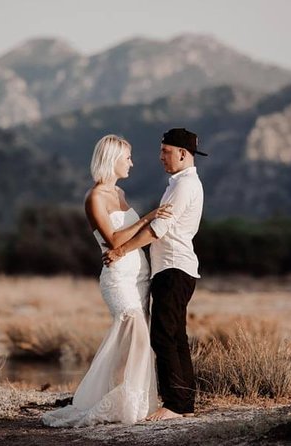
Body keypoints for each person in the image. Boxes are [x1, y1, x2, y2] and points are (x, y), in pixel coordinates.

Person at [41, 134, 171, 427]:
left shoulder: (120, 195)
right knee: (134, 333)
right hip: (118, 278)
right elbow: (113, 240)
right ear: (112, 160)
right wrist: (146, 219)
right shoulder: (95, 197)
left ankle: (131, 400)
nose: (132, 163)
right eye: (127, 158)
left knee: (137, 343)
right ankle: (120, 401)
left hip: (139, 275)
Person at [103, 128, 206, 421]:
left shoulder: (183, 186)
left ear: (182, 154)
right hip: (176, 268)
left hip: (174, 268)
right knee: (176, 336)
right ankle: (184, 402)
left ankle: (175, 404)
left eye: (165, 151)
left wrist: (120, 251)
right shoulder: (180, 183)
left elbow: (156, 230)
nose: (160, 157)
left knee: (163, 336)